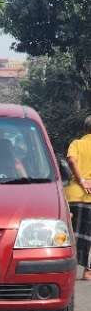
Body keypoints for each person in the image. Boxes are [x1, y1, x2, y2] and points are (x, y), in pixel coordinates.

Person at [66, 115, 91, 280]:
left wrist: (81, 180)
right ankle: (88, 271)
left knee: (71, 234)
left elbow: (71, 161)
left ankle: (68, 268)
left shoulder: (76, 143)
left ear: (85, 129)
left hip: (74, 195)